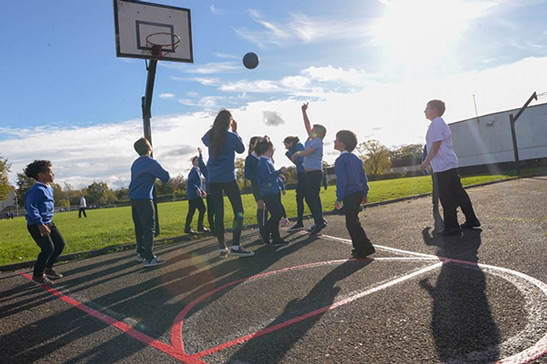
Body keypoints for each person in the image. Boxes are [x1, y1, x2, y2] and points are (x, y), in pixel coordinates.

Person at [420, 99, 481, 236]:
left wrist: (426, 162)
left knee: (446, 196)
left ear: (434, 110)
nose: (425, 111)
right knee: (458, 192)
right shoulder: (440, 123)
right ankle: (471, 219)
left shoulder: (436, 123)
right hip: (449, 163)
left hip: (442, 166)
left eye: (427, 108)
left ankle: (452, 226)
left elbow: (436, 145)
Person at [202, 109, 254, 258]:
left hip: (213, 179)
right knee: (239, 210)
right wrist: (235, 131)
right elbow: (241, 149)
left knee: (219, 213)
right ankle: (236, 245)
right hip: (228, 178)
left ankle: (222, 248)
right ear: (229, 122)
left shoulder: (210, 135)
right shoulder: (231, 137)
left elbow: (205, 141)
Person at [128, 137, 170, 266]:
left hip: (134, 198)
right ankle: (149, 257)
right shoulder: (151, 162)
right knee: (149, 228)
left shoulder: (135, 163)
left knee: (139, 227)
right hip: (145, 198)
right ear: (149, 148)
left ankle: (141, 252)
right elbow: (166, 177)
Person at [334, 131, 376, 258]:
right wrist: (364, 193)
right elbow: (363, 177)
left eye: (336, 139)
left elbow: (342, 180)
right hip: (358, 192)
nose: (334, 142)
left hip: (349, 194)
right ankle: (359, 246)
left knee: (351, 222)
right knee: (353, 220)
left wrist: (339, 198)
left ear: (342, 144)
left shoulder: (341, 160)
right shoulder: (357, 159)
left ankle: (365, 247)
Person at [24, 160, 66, 285]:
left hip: (48, 222)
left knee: (60, 244)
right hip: (37, 224)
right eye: (50, 171)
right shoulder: (36, 189)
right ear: (41, 175)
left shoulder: (49, 188)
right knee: (48, 248)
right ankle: (37, 275)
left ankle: (48, 268)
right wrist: (40, 224)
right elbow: (31, 207)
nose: (53, 174)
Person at [291, 103, 328, 235]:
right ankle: (319, 220)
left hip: (315, 174)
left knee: (312, 197)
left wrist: (297, 153)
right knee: (310, 198)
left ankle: (319, 222)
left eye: (313, 130)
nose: (310, 130)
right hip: (309, 174)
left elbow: (307, 152)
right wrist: (303, 111)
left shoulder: (317, 142)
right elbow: (307, 124)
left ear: (318, 133)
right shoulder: (312, 139)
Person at [255, 137, 289, 246]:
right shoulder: (263, 162)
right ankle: (264, 231)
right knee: (277, 214)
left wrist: (279, 177)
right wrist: (279, 171)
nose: (274, 149)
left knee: (275, 214)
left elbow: (271, 176)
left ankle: (276, 238)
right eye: (273, 148)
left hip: (273, 191)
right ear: (269, 149)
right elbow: (267, 177)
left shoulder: (267, 161)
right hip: (268, 193)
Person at [244, 136, 269, 243]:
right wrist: (258, 179)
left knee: (267, 206)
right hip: (257, 185)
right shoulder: (250, 158)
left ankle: (266, 230)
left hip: (266, 185)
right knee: (261, 205)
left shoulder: (264, 156)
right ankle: (261, 231)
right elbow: (247, 174)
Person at [283, 136, 306, 231]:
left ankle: (301, 222)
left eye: (286, 145)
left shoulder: (298, 146)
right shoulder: (296, 147)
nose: (286, 147)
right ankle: (301, 221)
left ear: (291, 142)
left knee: (302, 197)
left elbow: (299, 161)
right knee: (302, 197)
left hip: (304, 173)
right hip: (302, 173)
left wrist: (290, 155)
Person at [185, 155, 208, 234]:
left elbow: (197, 184)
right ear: (193, 162)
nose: (198, 162)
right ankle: (199, 227)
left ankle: (188, 227)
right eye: (197, 160)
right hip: (193, 195)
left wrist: (201, 191)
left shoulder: (197, 171)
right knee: (202, 209)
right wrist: (196, 189)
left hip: (194, 194)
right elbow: (190, 182)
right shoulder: (194, 170)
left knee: (192, 211)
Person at [198, 147, 215, 236]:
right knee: (212, 212)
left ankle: (216, 227)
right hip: (211, 195)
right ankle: (213, 228)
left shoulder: (213, 171)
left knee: (215, 212)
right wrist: (200, 155)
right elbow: (201, 164)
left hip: (215, 194)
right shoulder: (208, 172)